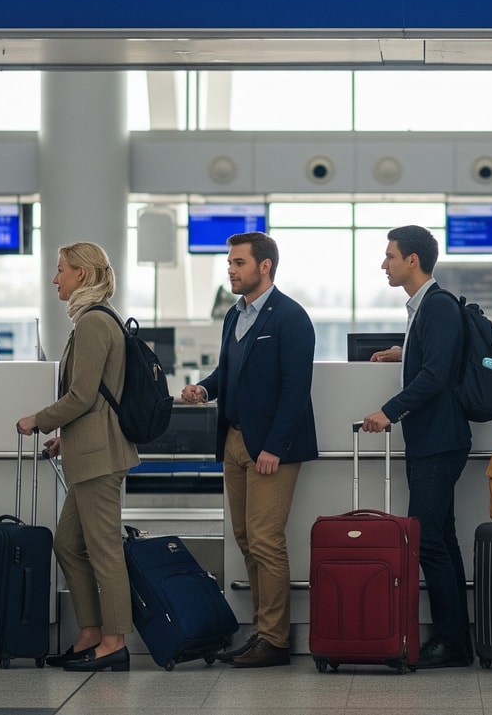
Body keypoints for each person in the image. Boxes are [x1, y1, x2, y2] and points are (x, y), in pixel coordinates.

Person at [181, 232, 317, 668]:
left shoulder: (291, 317)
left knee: (265, 539)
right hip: (235, 440)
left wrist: (275, 446)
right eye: (230, 263)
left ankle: (275, 640)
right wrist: (205, 388)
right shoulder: (234, 315)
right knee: (245, 539)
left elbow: (296, 389)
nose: (231, 270)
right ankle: (261, 631)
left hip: (271, 448)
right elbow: (229, 370)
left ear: (265, 266)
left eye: (238, 263)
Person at [15, 242, 138, 673]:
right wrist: (64, 439)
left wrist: (39, 420)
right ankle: (90, 633)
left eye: (61, 270)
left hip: (99, 457)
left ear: (81, 274)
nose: (55, 279)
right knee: (68, 544)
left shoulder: (93, 323)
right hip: (87, 452)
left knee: (105, 551)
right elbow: (96, 398)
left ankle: (114, 642)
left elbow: (82, 395)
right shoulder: (93, 319)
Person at [361, 225, 472, 669]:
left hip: (439, 441)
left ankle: (450, 640)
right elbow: (430, 360)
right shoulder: (423, 307)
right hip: (431, 440)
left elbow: (435, 376)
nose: (383, 264)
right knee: (441, 537)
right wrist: (402, 351)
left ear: (413, 260)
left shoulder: (438, 305)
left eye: (390, 256)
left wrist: (389, 411)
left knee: (427, 541)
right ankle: (456, 639)